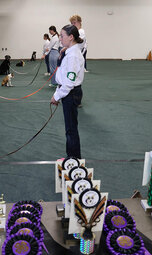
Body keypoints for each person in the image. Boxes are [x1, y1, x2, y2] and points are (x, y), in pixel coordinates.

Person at [50, 25, 85, 159]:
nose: (59, 38)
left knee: (71, 129)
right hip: (69, 92)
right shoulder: (71, 51)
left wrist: (57, 96)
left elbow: (69, 82)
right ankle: (72, 157)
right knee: (70, 128)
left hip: (71, 93)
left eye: (62, 36)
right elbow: (64, 75)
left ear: (71, 37)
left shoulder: (73, 56)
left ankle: (74, 159)